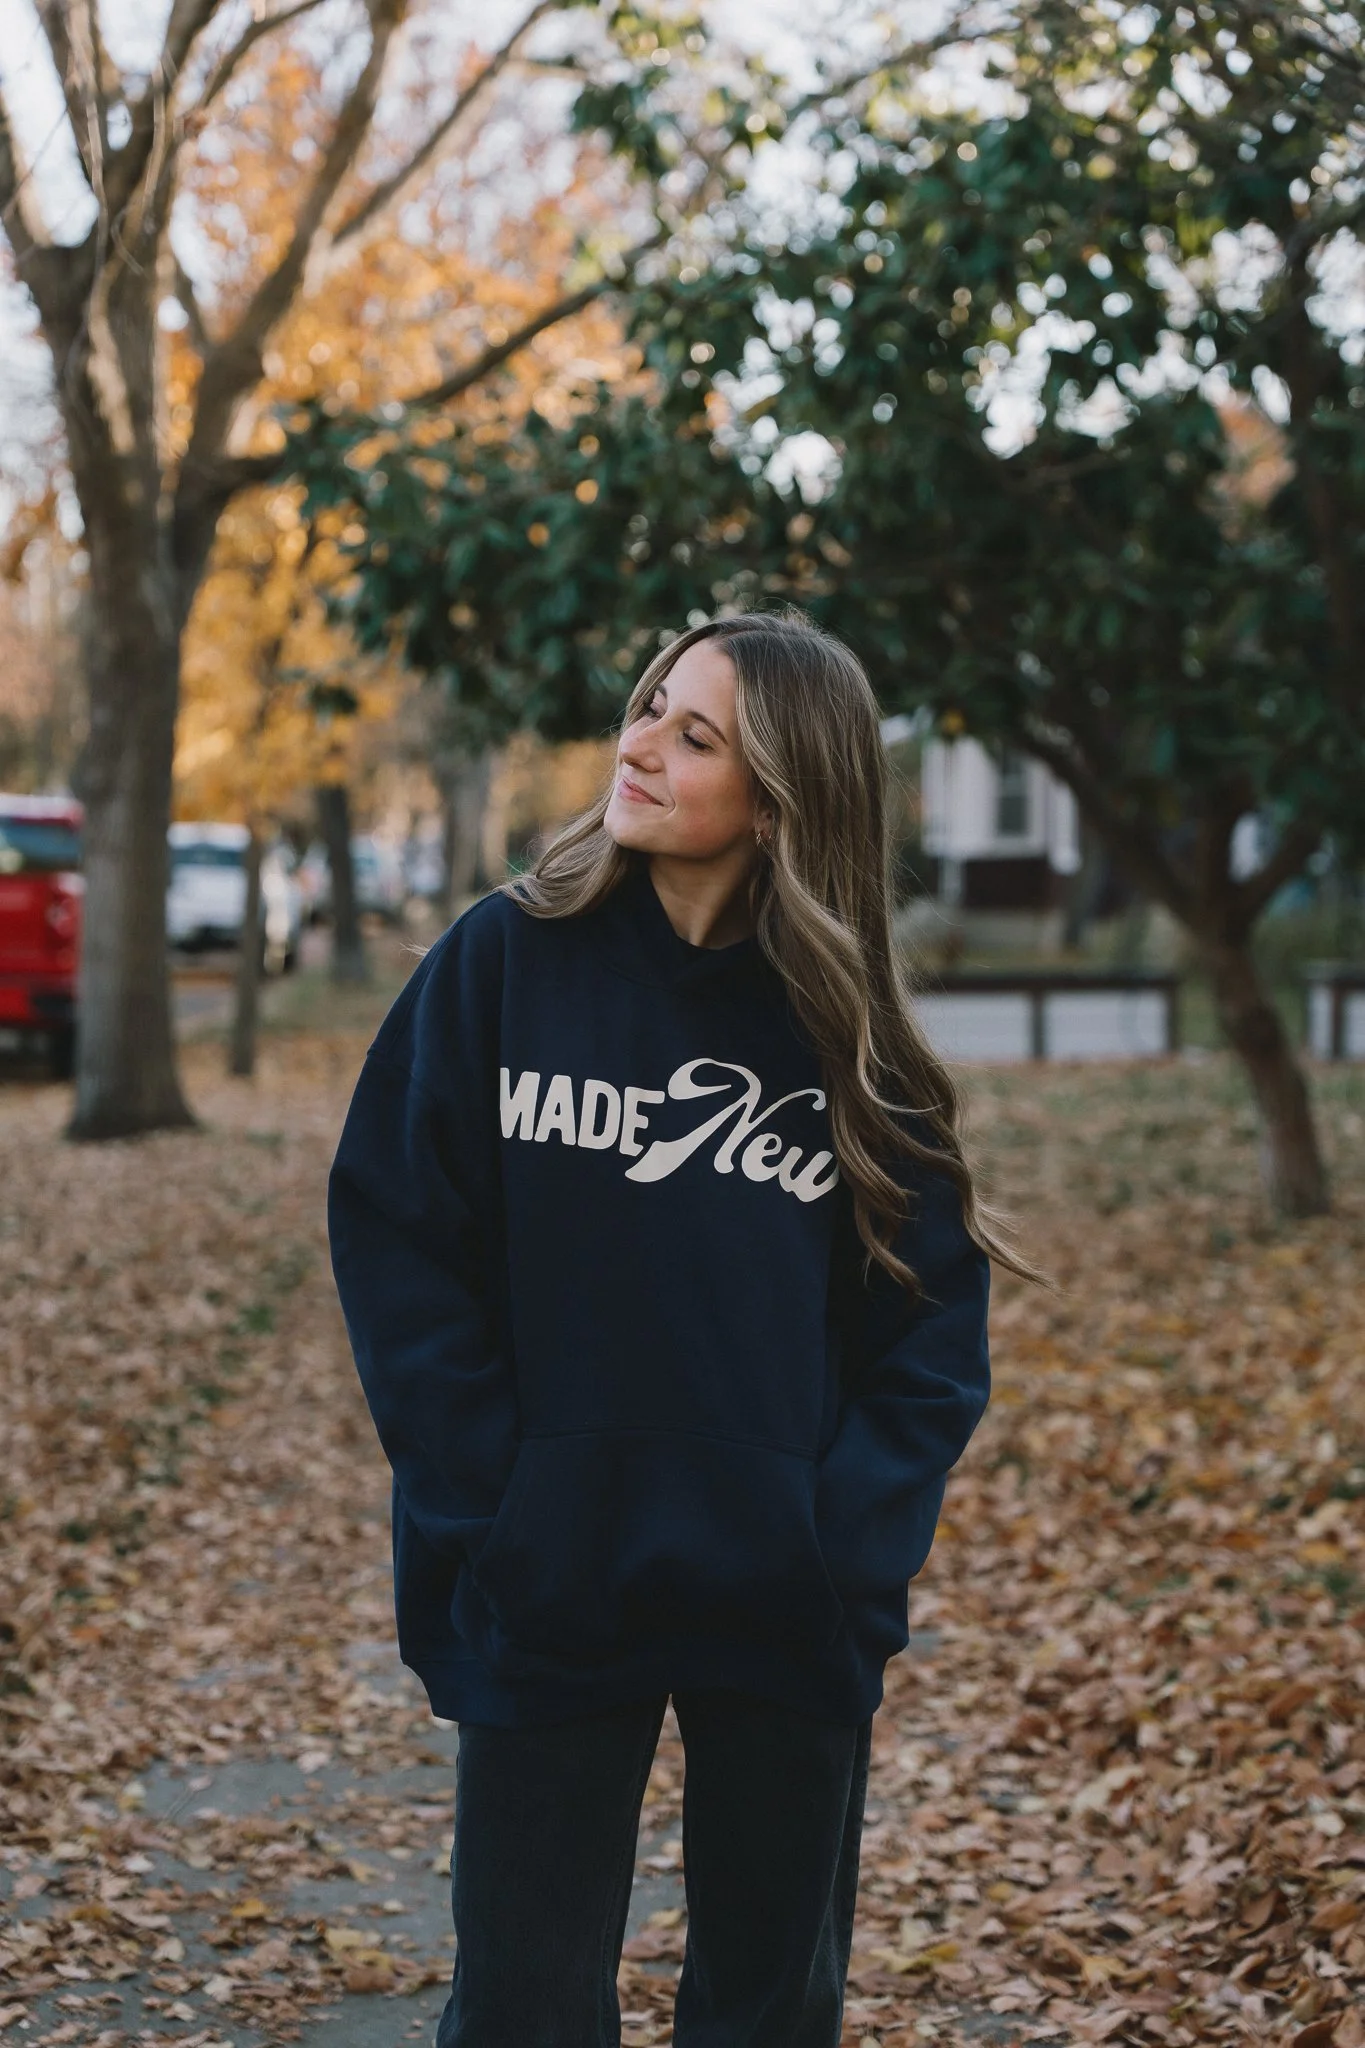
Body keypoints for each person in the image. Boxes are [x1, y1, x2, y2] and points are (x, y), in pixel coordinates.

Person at [327, 608, 1039, 2048]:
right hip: (548, 1573)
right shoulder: (502, 965)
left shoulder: (850, 1038)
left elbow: (929, 1332)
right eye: (650, 706)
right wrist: (495, 1501)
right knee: (524, 2008)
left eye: (693, 732)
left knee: (766, 2012)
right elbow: (399, 1237)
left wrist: (840, 1543)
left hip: (785, 1598)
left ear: (782, 799)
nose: (638, 744)